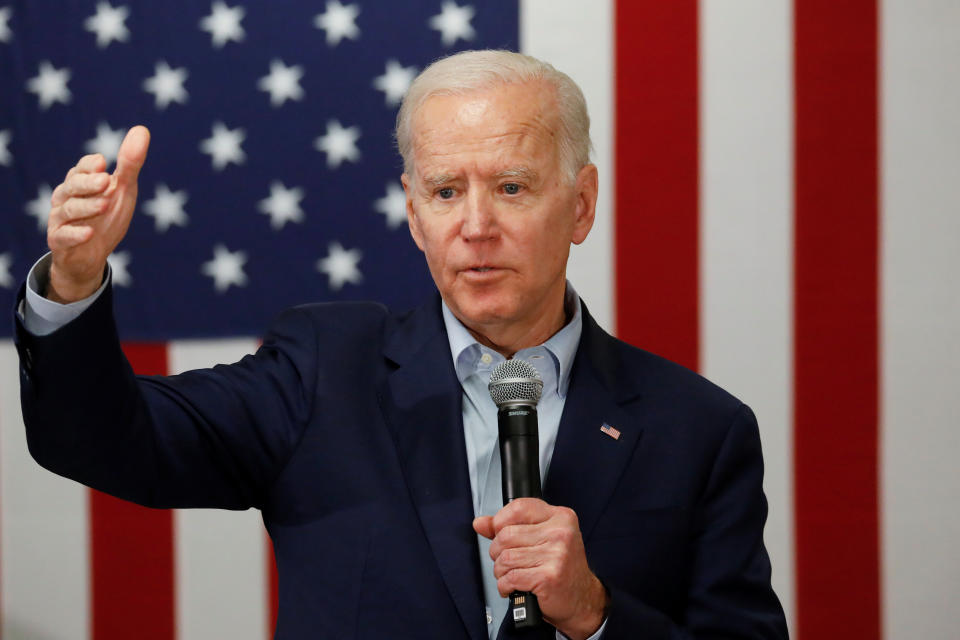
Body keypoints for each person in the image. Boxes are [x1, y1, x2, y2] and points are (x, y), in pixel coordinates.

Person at [14, 50, 788, 639]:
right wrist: (74, 284)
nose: (475, 226)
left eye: (511, 187)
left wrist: (595, 614)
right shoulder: (325, 369)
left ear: (580, 205)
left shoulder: (699, 430)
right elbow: (106, 440)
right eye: (447, 192)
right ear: (415, 215)